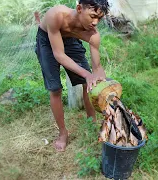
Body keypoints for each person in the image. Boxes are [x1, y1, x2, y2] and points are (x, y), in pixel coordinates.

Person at [34, 0, 109, 152]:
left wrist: (102, 83)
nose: (95, 22)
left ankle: (92, 124)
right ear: (79, 8)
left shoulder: (92, 34)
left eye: (99, 18)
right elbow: (59, 55)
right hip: (48, 41)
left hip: (70, 40)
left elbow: (97, 67)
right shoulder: (57, 15)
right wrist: (88, 74)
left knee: (90, 84)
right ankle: (63, 133)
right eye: (93, 16)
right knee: (55, 89)